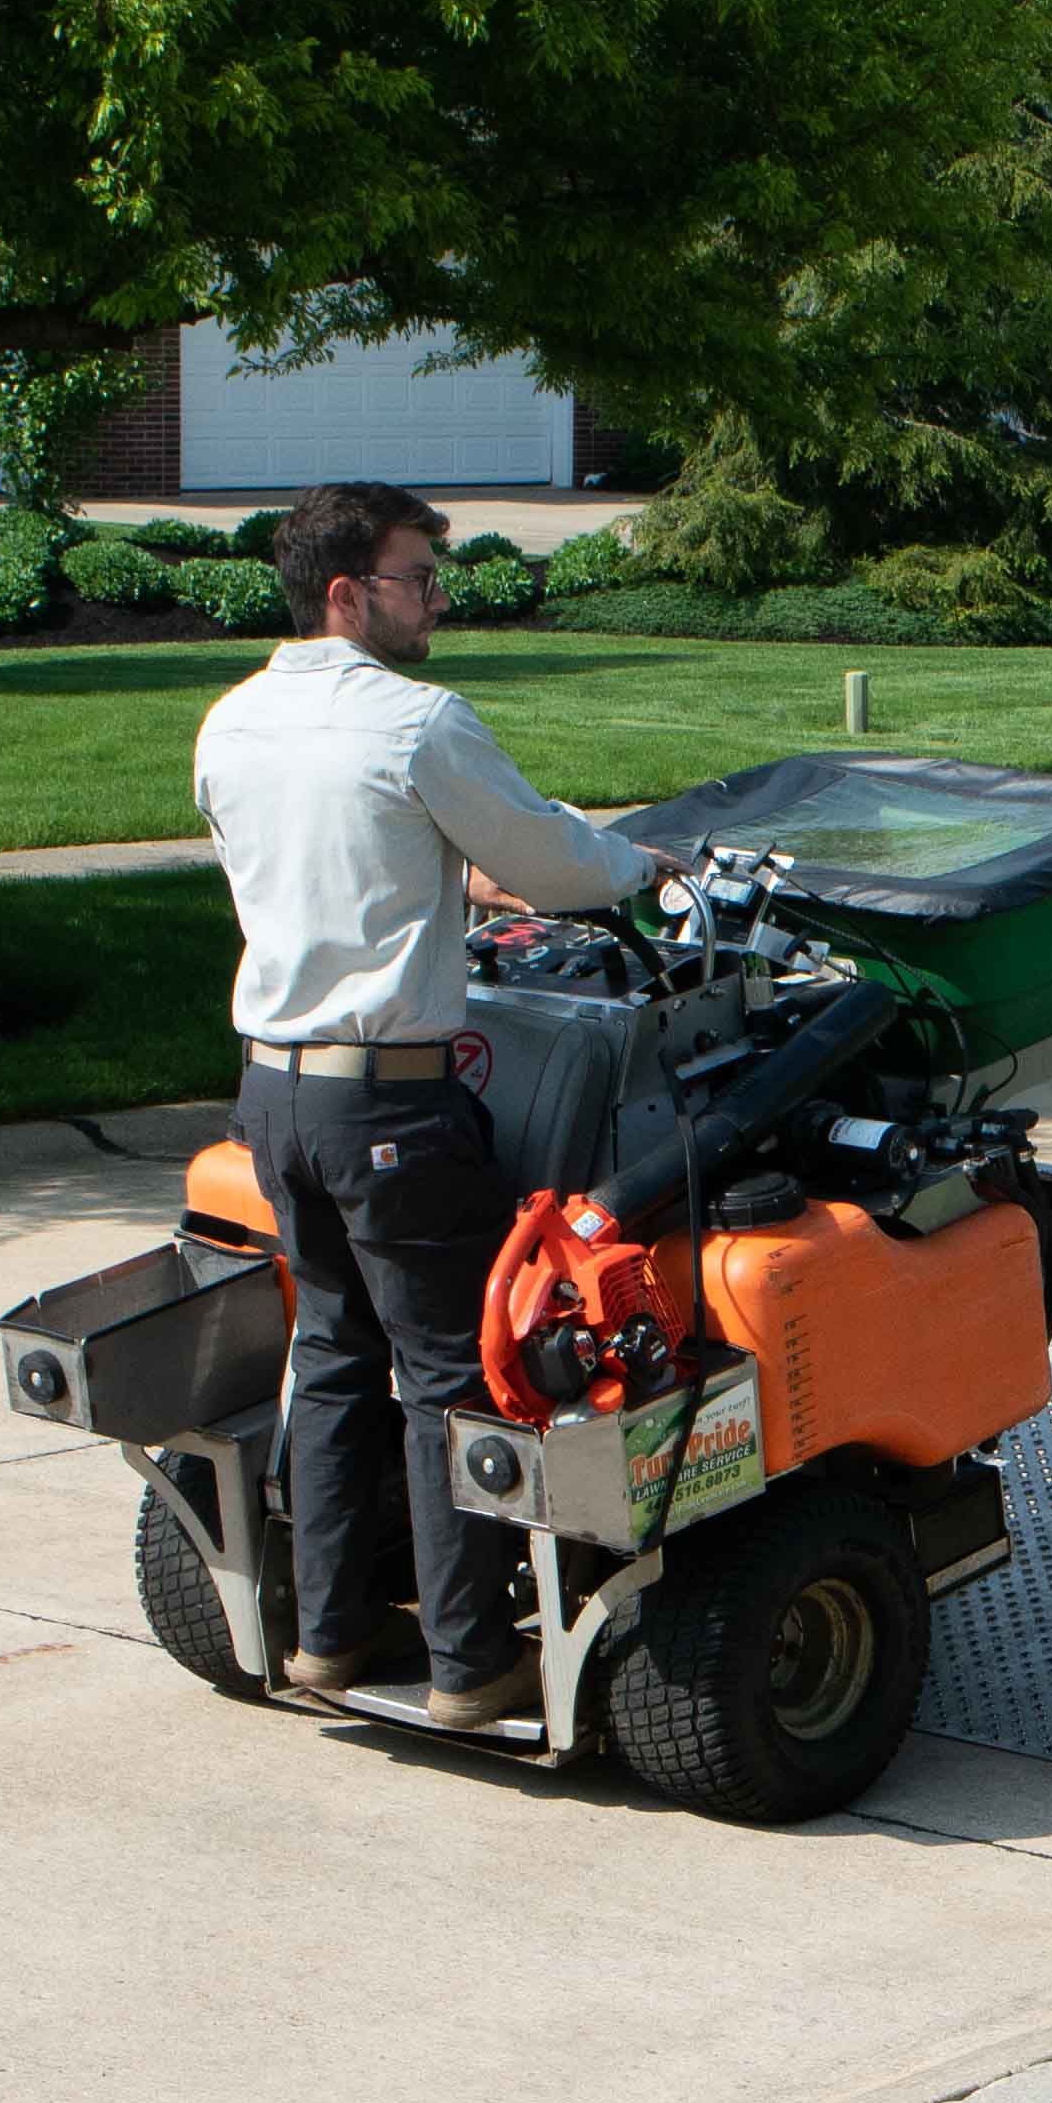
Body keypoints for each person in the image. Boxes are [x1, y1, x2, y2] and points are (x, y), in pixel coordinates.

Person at [194, 482, 671, 1728]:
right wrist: (639, 865)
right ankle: (469, 1662)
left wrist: (447, 899)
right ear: (347, 592)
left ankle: (330, 1639)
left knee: (335, 1356)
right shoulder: (414, 723)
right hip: (388, 1109)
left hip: (273, 1095)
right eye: (419, 577)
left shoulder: (231, 724)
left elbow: (326, 861)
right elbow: (556, 862)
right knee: (455, 1371)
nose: (438, 600)